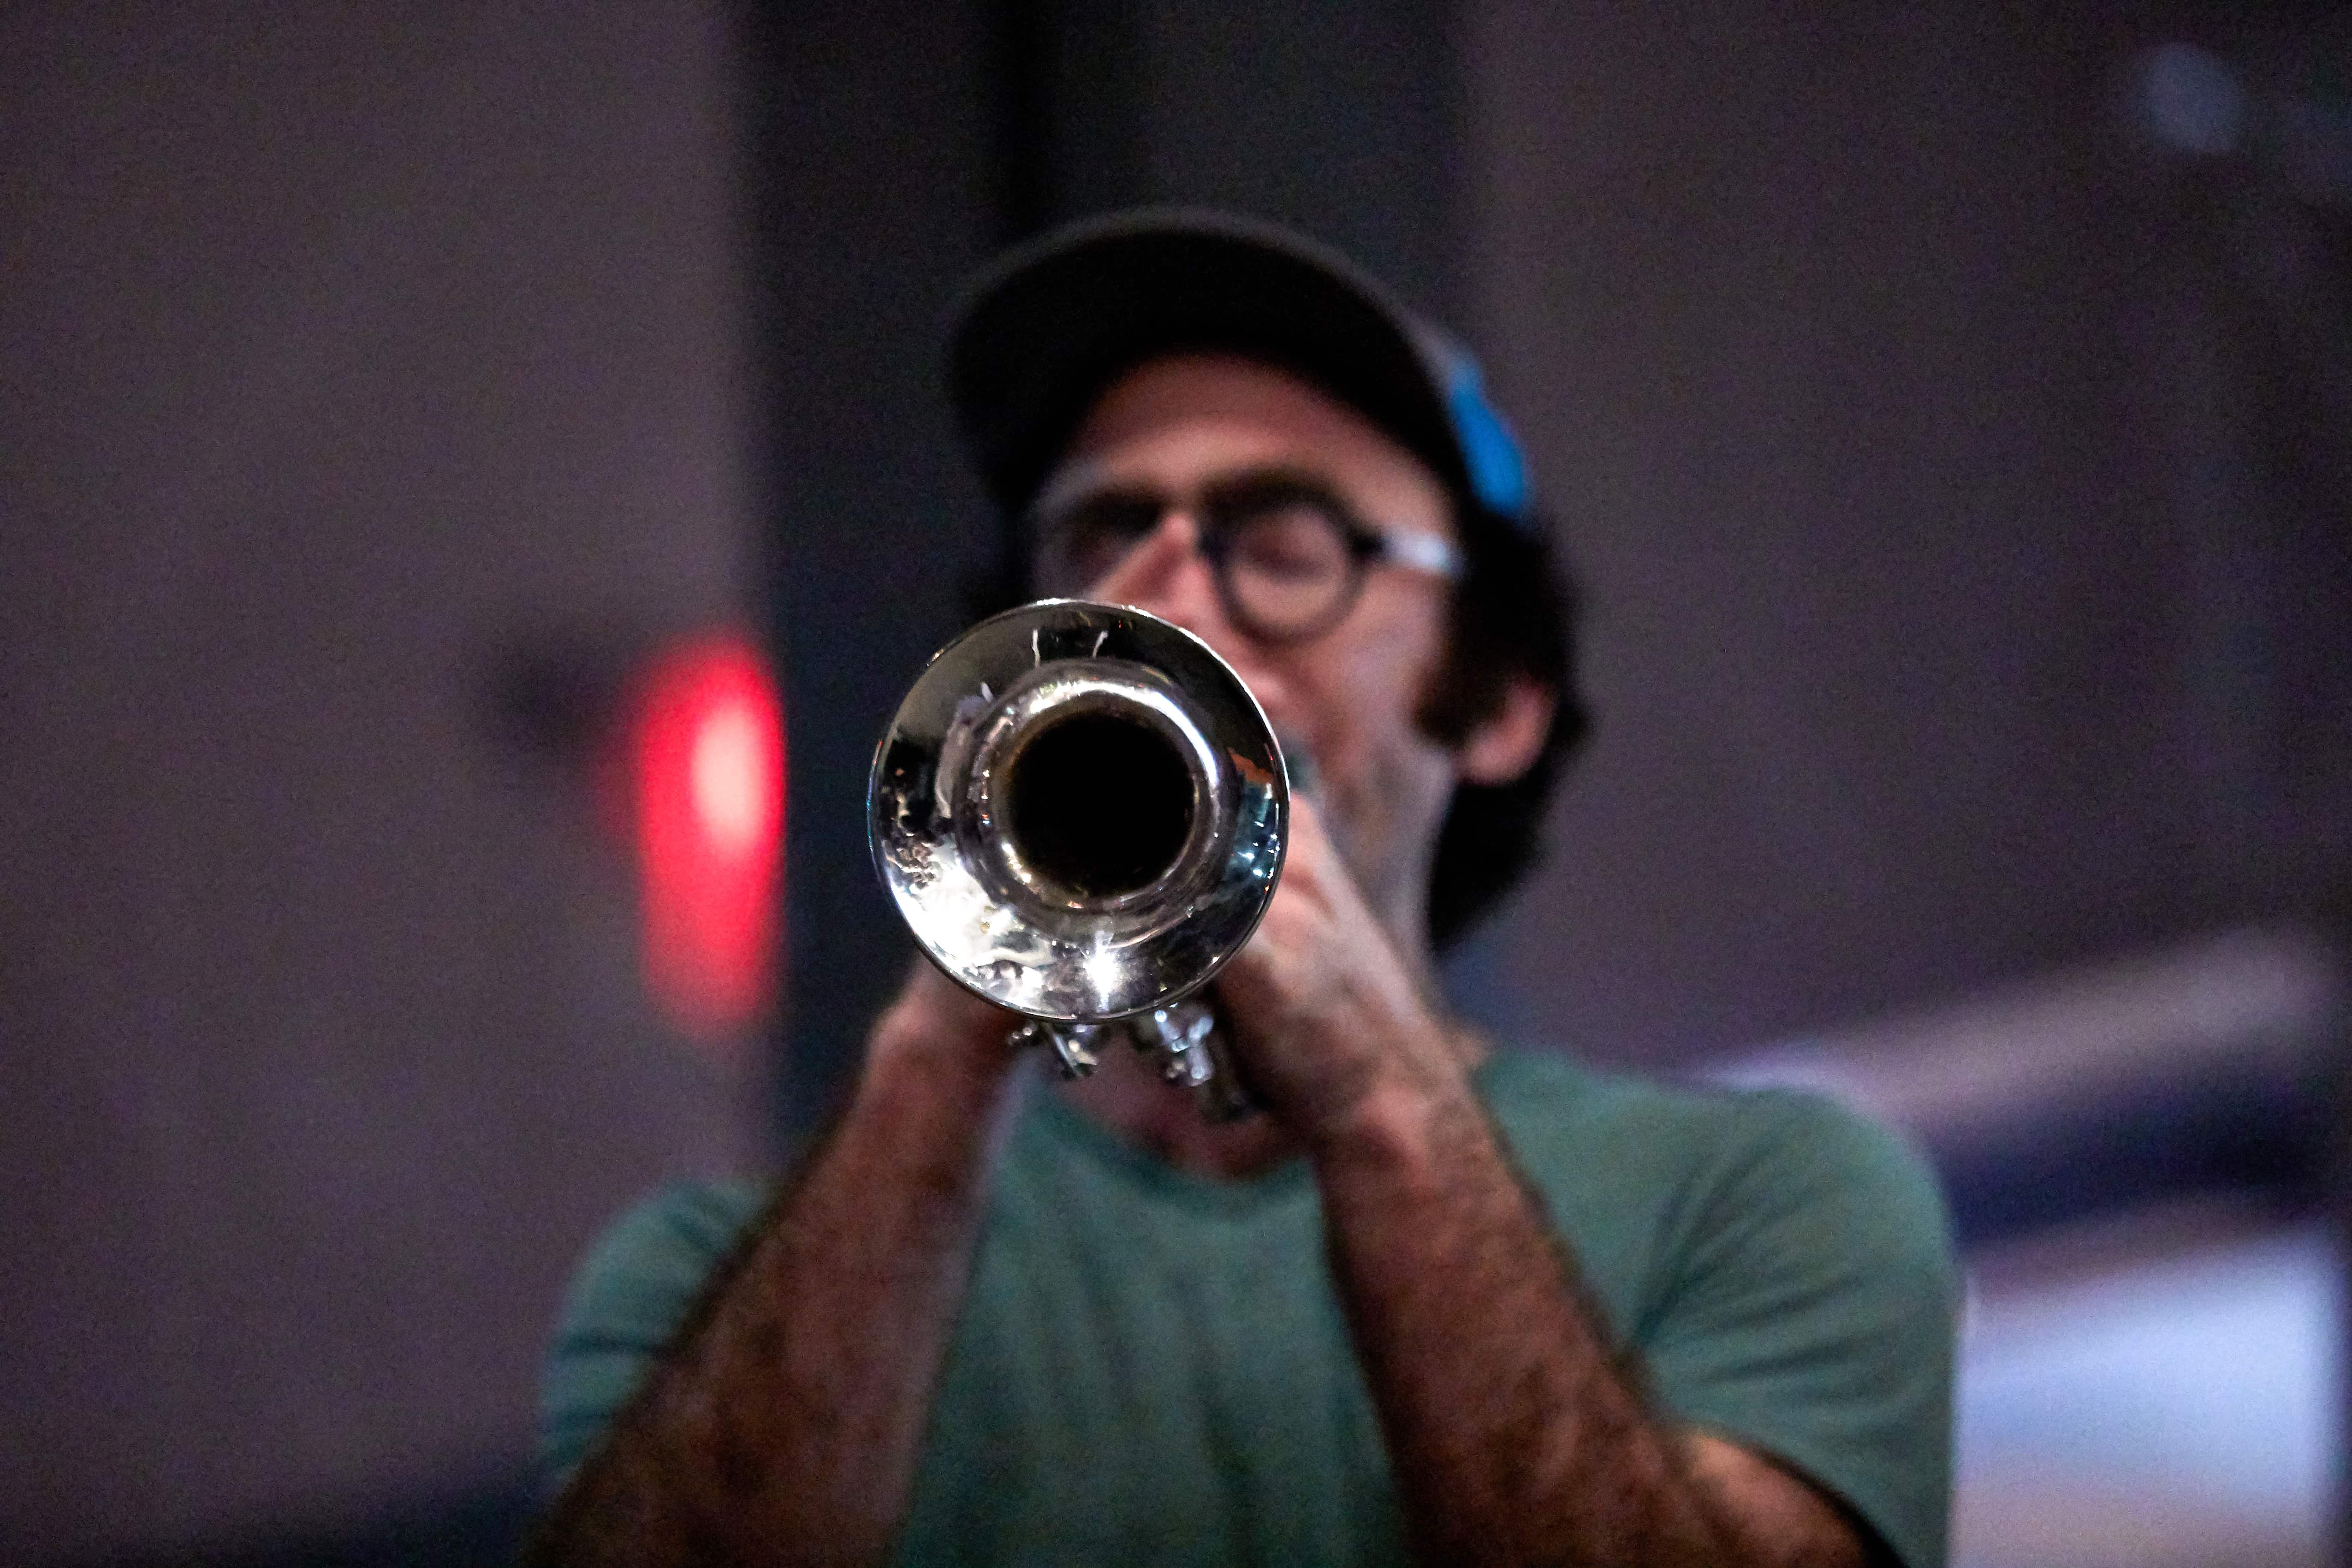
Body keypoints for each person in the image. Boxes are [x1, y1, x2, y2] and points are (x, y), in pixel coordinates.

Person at [526, 210, 1957, 1568]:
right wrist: (938, 1057)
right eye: (1097, 544)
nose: (1162, 602)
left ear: (1496, 700)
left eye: (1282, 548)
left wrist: (1375, 1092)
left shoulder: (1762, 1201)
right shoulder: (707, 1279)